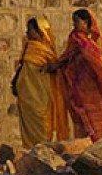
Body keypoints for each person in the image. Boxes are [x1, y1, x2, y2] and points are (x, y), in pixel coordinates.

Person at [48, 8, 102, 140]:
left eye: (76, 22)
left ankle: (95, 147)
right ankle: (83, 148)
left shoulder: (96, 40)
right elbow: (67, 57)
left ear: (86, 22)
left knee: (96, 120)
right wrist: (57, 65)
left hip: (93, 86)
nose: (74, 25)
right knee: (81, 119)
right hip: (79, 87)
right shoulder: (76, 39)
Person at [11, 17, 68, 147]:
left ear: (39, 31)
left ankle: (42, 153)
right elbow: (22, 67)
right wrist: (15, 83)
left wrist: (53, 67)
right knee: (28, 129)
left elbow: (55, 71)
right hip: (26, 96)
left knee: (43, 126)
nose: (27, 33)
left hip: (42, 96)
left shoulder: (47, 51)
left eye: (30, 30)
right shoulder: (29, 47)